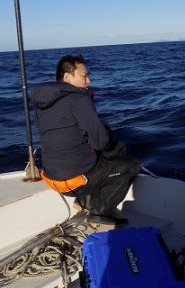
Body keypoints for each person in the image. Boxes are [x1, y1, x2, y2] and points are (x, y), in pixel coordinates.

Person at [30, 55, 140, 225]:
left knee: (114, 151)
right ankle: (100, 211)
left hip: (52, 177)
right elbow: (101, 142)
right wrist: (102, 127)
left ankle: (84, 201)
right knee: (129, 164)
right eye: (84, 76)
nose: (88, 81)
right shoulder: (79, 99)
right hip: (74, 181)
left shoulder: (43, 103)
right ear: (67, 77)